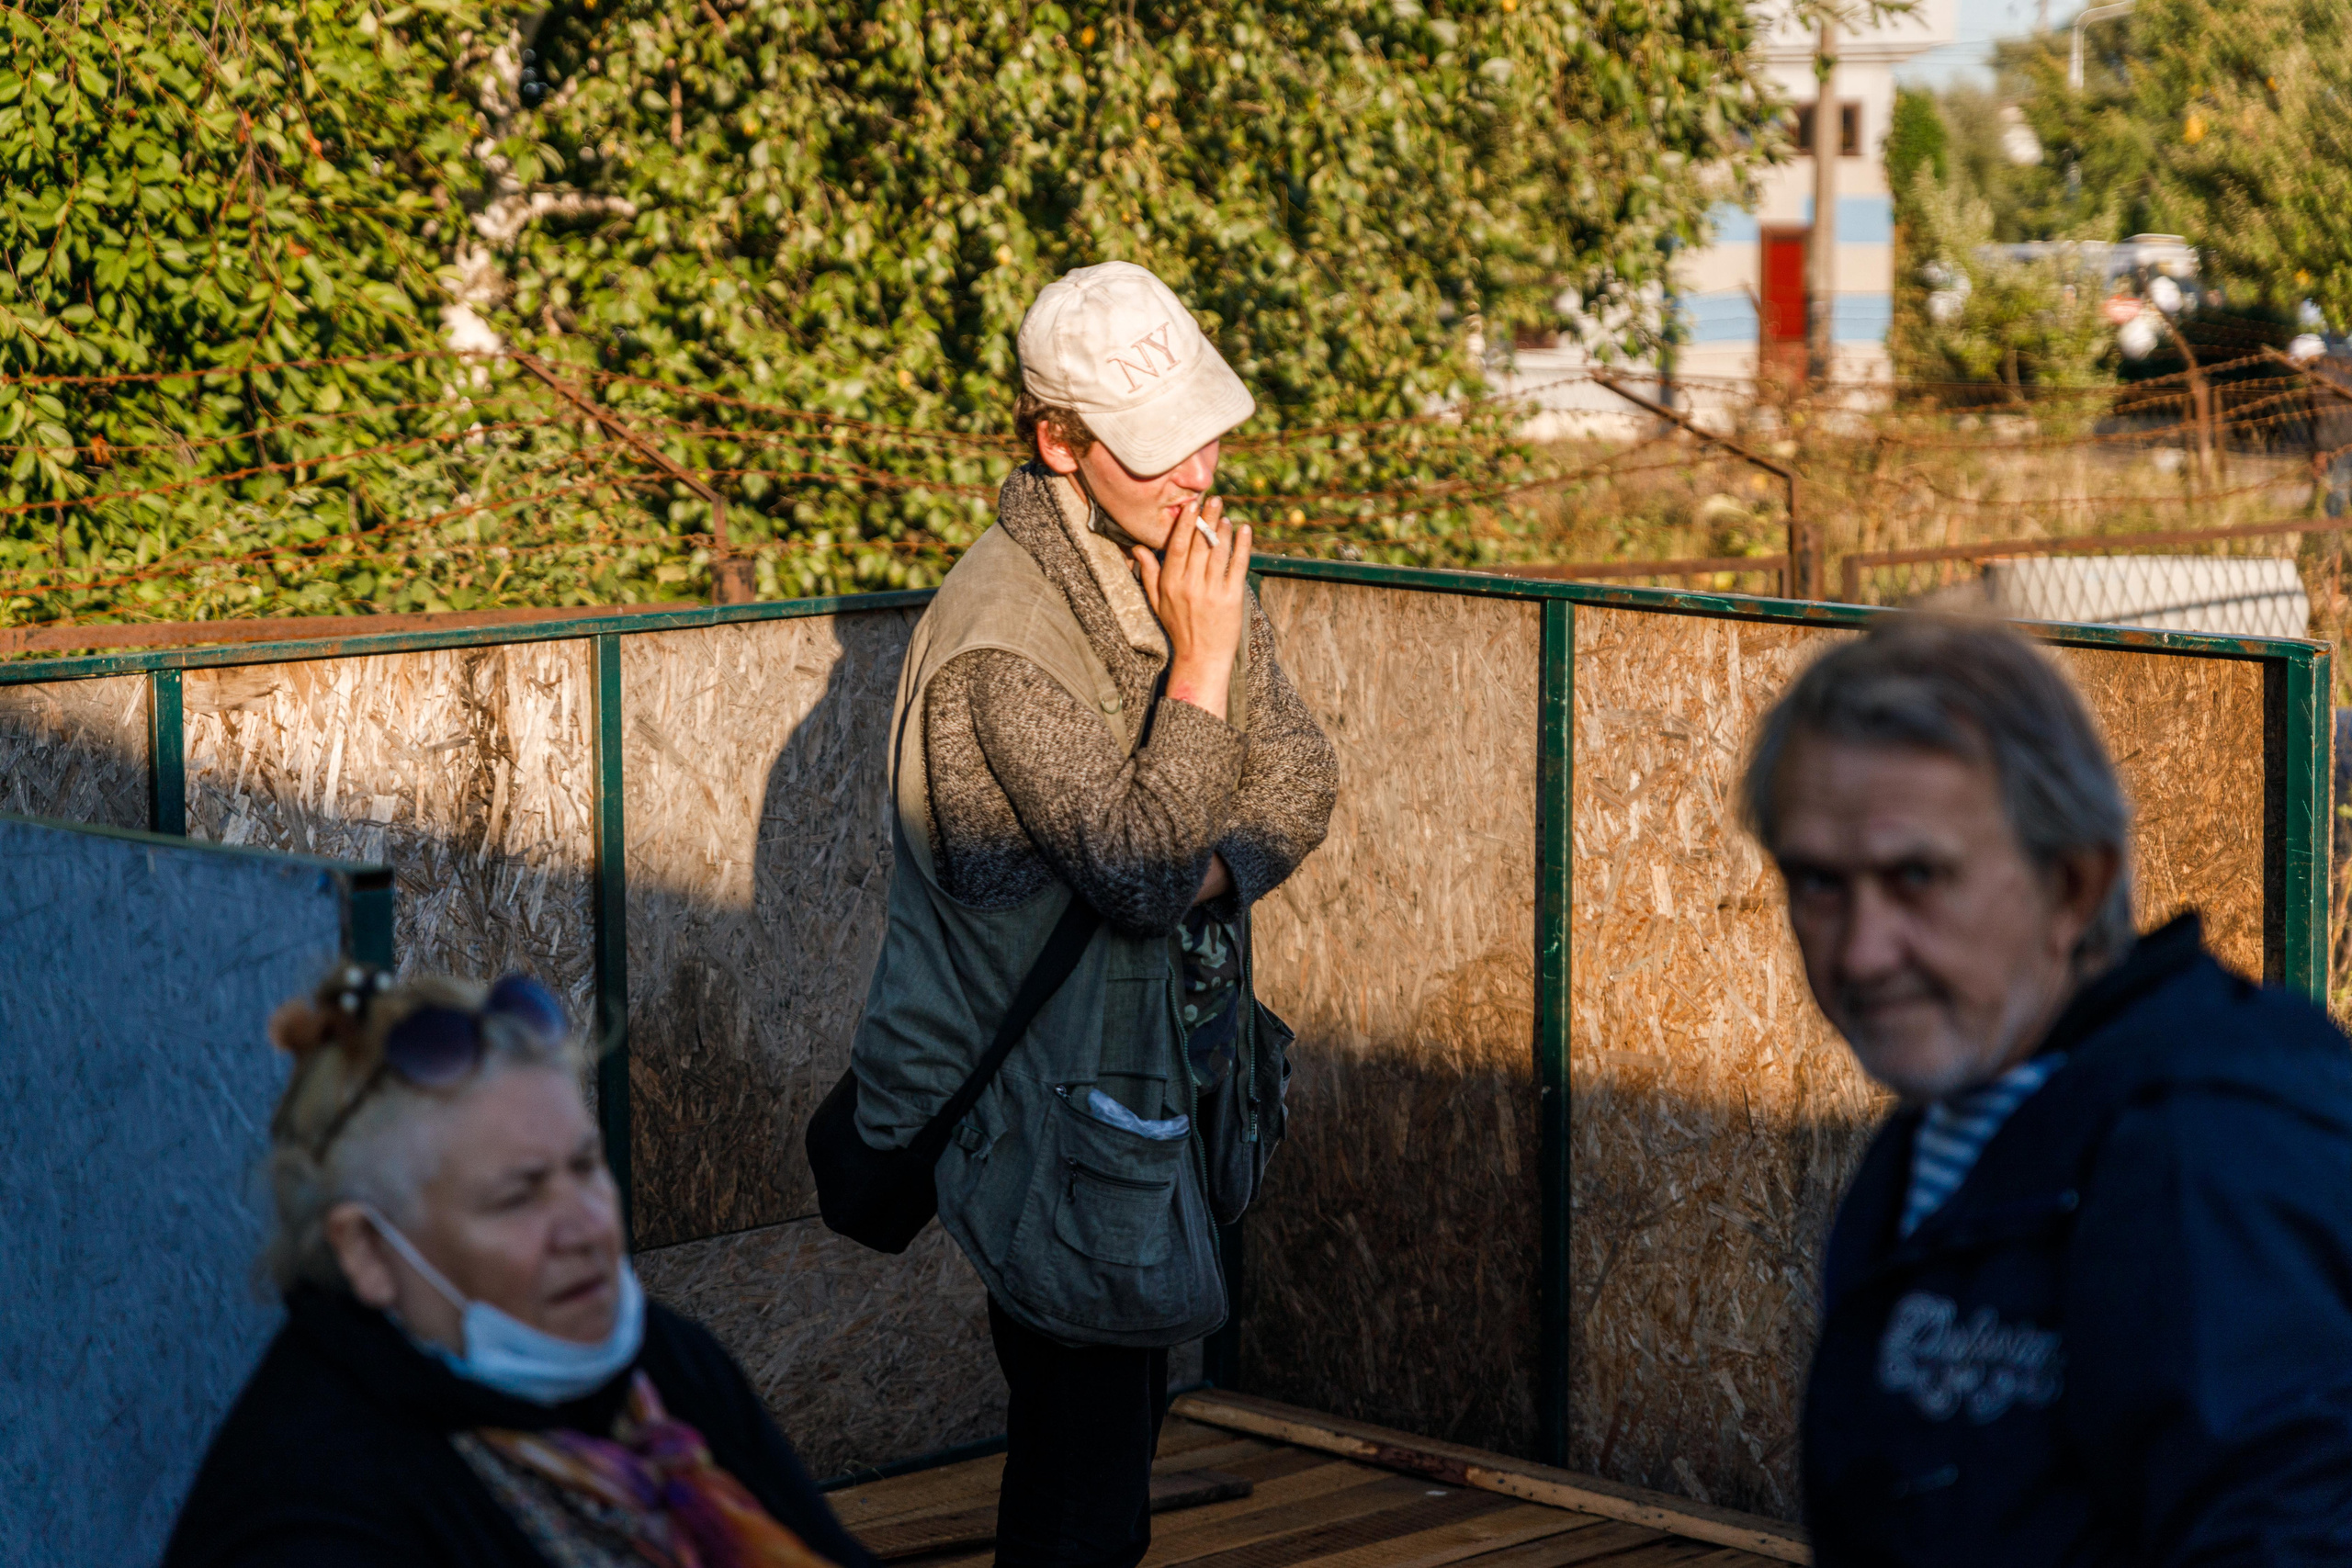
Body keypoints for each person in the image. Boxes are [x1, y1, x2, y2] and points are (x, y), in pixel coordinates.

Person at [845, 260, 1339, 1568]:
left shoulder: (1178, 553)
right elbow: (1128, 869)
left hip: (1140, 1082)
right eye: (1160, 443)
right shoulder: (1000, 640)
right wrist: (1207, 669)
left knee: (1115, 1430)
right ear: (1058, 442)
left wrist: (1202, 862)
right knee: (1078, 1451)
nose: (1200, 469)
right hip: (1037, 1109)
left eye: (1208, 428)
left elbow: (1300, 781)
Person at [1740, 615, 2352, 1565]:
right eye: (1818, 882)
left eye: (1918, 878)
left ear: (2073, 886)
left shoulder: (2205, 1150)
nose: (1859, 952)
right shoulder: (1965, 1121)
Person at [166, 965, 874, 1568]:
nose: (587, 1226)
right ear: (368, 1253)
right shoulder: (307, 1513)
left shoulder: (663, 1365)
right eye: (516, 1196)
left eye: (585, 1165)